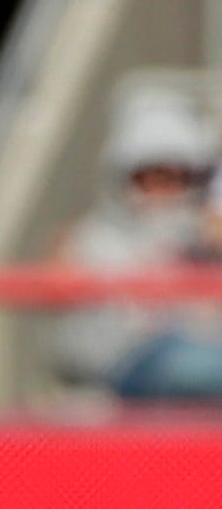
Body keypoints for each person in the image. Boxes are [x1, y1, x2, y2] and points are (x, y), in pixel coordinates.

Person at [52, 93, 222, 403]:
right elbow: (59, 294)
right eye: (152, 177)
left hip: (197, 383)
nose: (163, 190)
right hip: (129, 369)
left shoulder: (206, 236)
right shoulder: (98, 238)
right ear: (126, 178)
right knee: (189, 363)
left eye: (176, 177)